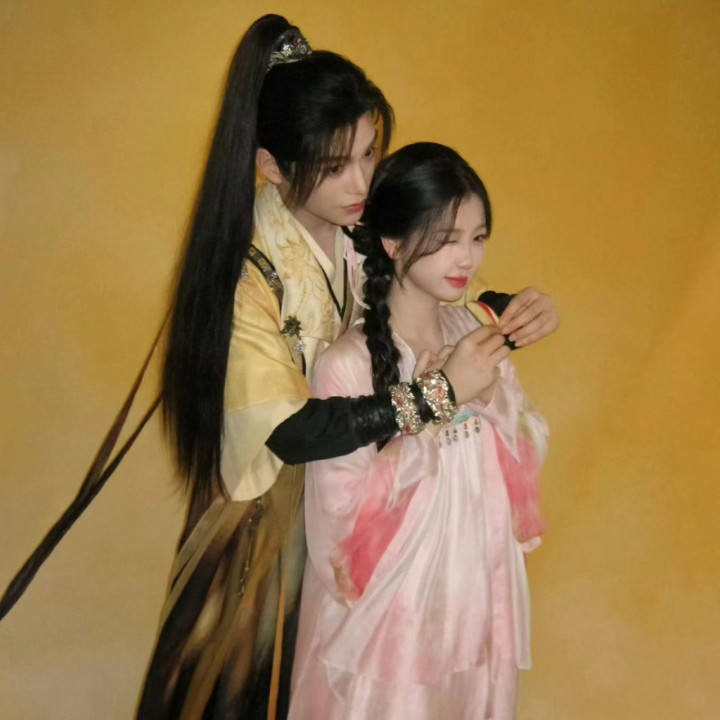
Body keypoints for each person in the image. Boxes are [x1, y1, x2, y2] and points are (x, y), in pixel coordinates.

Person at [135, 14, 558, 720]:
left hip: (370, 494)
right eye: (335, 165)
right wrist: (435, 396)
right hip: (271, 519)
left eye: (369, 152)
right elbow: (291, 430)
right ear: (272, 166)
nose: (362, 180)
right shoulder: (246, 275)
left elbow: (422, 278)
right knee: (250, 690)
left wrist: (504, 307)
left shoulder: (357, 228)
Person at [288, 142, 549, 720]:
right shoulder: (348, 365)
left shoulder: (477, 337)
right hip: (392, 621)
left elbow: (530, 443)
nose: (467, 258)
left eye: (478, 237)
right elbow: (338, 525)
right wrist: (434, 411)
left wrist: (488, 397)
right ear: (393, 241)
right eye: (447, 238)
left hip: (476, 594)